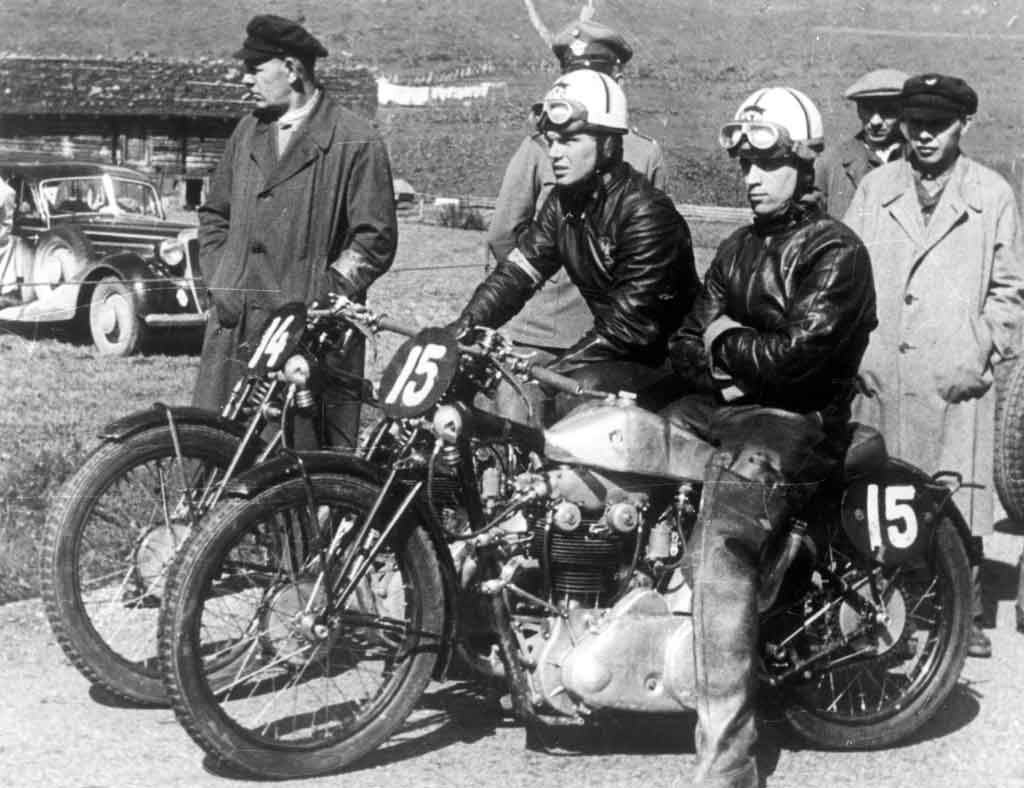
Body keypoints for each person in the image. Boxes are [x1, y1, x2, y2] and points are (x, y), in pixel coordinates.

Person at [663, 86, 877, 787]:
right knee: (613, 452)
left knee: (722, 553)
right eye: (746, 164)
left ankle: (727, 764)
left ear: (804, 164)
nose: (752, 177)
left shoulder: (836, 251)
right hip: (727, 411)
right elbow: (684, 343)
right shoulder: (736, 247)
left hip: (795, 426)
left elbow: (797, 362)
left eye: (768, 162)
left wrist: (725, 345)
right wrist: (728, 354)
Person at [844, 73, 1024, 658]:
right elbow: (846, 273)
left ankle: (963, 612)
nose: (923, 136)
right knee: (883, 500)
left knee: (955, 503)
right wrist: (861, 350)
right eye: (915, 124)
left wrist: (978, 352)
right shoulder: (875, 189)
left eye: (938, 126)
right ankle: (885, 609)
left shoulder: (991, 194)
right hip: (883, 375)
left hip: (954, 379)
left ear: (964, 125)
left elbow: (1010, 290)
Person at [193, 14, 398, 447]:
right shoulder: (248, 131)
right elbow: (214, 215)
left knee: (297, 464)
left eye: (254, 68)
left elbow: (373, 241)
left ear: (291, 69)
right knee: (218, 455)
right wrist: (222, 280)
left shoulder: (355, 140)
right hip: (236, 326)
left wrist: (317, 301)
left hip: (309, 340)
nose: (243, 78)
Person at [450, 68, 696, 416]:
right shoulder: (564, 203)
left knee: (563, 394)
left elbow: (628, 328)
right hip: (614, 353)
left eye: (568, 141)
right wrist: (461, 328)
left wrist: (554, 371)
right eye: (551, 141)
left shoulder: (645, 214)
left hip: (666, 364)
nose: (554, 153)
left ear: (607, 143)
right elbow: (517, 275)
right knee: (494, 383)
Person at [486, 19, 666, 388]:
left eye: (594, 75)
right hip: (547, 329)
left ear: (617, 80)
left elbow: (653, 253)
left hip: (599, 334)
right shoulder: (541, 145)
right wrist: (541, 269)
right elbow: (505, 233)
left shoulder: (644, 154)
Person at [813, 68, 907, 219]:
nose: (875, 121)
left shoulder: (919, 162)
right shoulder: (830, 163)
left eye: (888, 110)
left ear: (905, 111)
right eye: (867, 109)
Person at [0, 175, 17, 309]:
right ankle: (7, 290)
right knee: (10, 242)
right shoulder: (7, 191)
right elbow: (7, 222)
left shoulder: (6, 191)